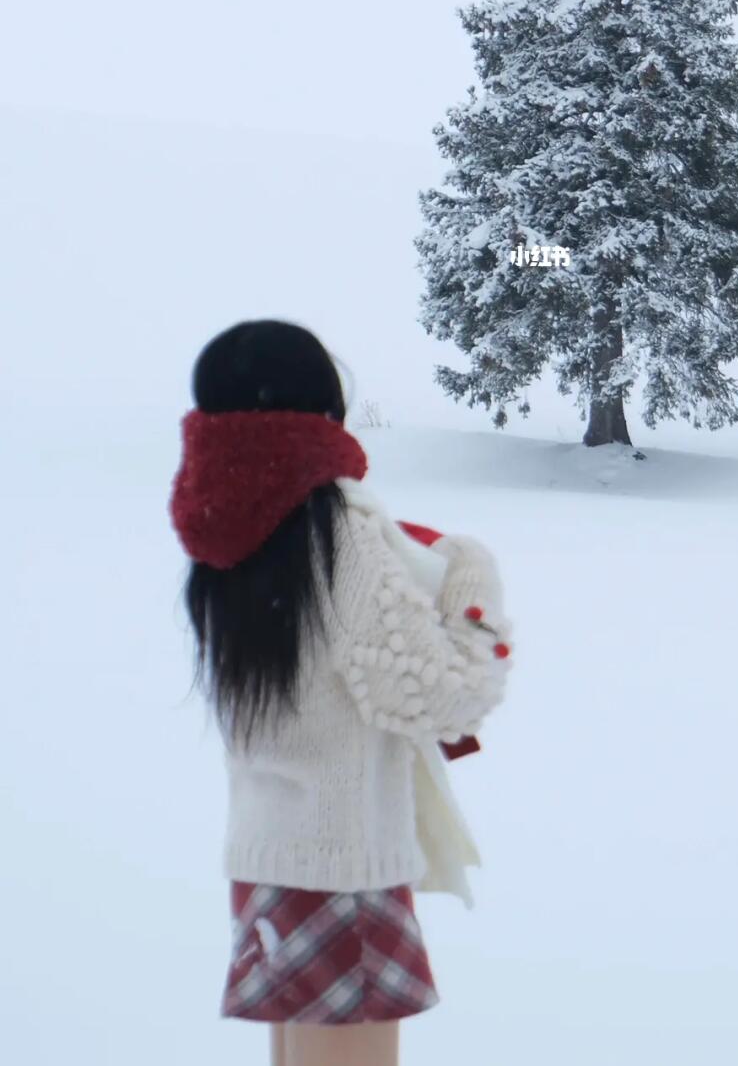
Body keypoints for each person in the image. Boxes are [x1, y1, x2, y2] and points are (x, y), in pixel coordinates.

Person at [169, 319, 514, 1065]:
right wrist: (473, 592)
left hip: (269, 853)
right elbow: (439, 697)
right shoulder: (339, 531)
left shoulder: (228, 527)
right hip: (343, 866)